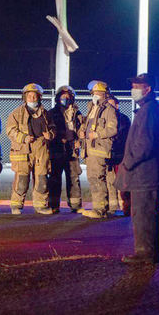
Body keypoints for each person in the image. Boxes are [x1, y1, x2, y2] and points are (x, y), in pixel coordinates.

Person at [116, 73, 159, 265]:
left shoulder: (149, 111)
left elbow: (144, 145)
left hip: (144, 175)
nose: (134, 89)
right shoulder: (149, 109)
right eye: (134, 85)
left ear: (148, 89)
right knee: (146, 214)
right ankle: (149, 253)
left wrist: (127, 163)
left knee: (143, 214)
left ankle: (145, 253)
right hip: (147, 174)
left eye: (138, 86)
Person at [6, 83, 56, 215]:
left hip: (41, 148)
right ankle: (16, 205)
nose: (32, 98)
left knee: (42, 179)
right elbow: (10, 130)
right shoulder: (16, 113)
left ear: (39, 97)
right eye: (30, 96)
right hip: (24, 149)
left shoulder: (45, 114)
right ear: (25, 97)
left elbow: (53, 128)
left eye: (35, 96)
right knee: (22, 179)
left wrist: (50, 134)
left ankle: (40, 206)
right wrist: (23, 137)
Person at [80, 80, 118, 219]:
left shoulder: (109, 110)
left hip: (99, 150)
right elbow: (87, 125)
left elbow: (112, 129)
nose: (96, 95)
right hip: (89, 149)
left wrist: (96, 134)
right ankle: (102, 207)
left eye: (99, 93)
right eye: (94, 93)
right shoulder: (91, 108)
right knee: (93, 178)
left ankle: (99, 209)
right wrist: (81, 132)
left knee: (97, 178)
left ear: (106, 94)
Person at [47, 85, 85, 213]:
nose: (66, 98)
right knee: (54, 178)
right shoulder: (51, 113)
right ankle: (53, 205)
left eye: (68, 97)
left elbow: (82, 130)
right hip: (56, 149)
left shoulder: (77, 114)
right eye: (63, 96)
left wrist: (79, 141)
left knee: (74, 177)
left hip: (71, 150)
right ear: (58, 98)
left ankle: (75, 205)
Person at [106, 95, 131, 215]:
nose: (109, 108)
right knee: (109, 182)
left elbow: (123, 137)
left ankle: (127, 208)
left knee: (124, 183)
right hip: (108, 155)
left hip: (121, 155)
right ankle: (111, 207)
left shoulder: (124, 119)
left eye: (111, 105)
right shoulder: (104, 117)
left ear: (117, 106)